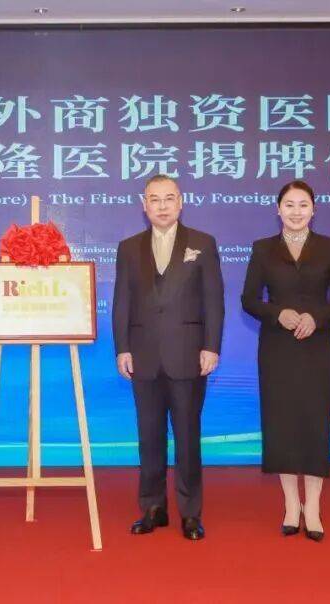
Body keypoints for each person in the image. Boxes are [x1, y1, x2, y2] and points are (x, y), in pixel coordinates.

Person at [112, 174, 224, 541]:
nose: (162, 206)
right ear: (144, 205)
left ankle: (191, 513)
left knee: (188, 438)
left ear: (181, 202)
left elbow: (213, 301)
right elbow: (122, 302)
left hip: (188, 355)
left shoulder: (202, 244)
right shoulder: (129, 247)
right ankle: (152, 507)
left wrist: (211, 346)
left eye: (169, 198)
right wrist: (122, 348)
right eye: (154, 199)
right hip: (143, 356)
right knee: (149, 436)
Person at [241, 180, 330, 542]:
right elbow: (248, 299)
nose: (296, 212)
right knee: (282, 424)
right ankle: (291, 504)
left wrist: (316, 317)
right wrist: (278, 313)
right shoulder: (262, 249)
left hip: (317, 347)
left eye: (303, 205)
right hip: (277, 348)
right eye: (289, 205)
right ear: (278, 210)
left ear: (314, 209)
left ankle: (314, 506)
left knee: (315, 423)